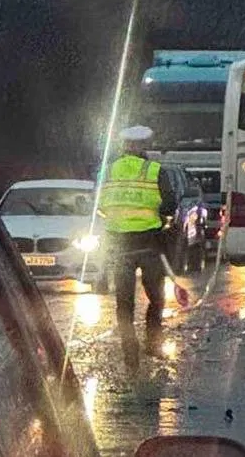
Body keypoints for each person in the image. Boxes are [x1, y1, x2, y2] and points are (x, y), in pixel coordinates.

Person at [98, 125, 178, 371]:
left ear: (124, 147)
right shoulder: (155, 171)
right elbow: (170, 205)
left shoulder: (109, 171)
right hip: (148, 245)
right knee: (156, 297)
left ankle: (129, 353)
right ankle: (153, 343)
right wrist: (160, 217)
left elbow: (100, 206)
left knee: (124, 303)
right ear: (145, 147)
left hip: (119, 245)